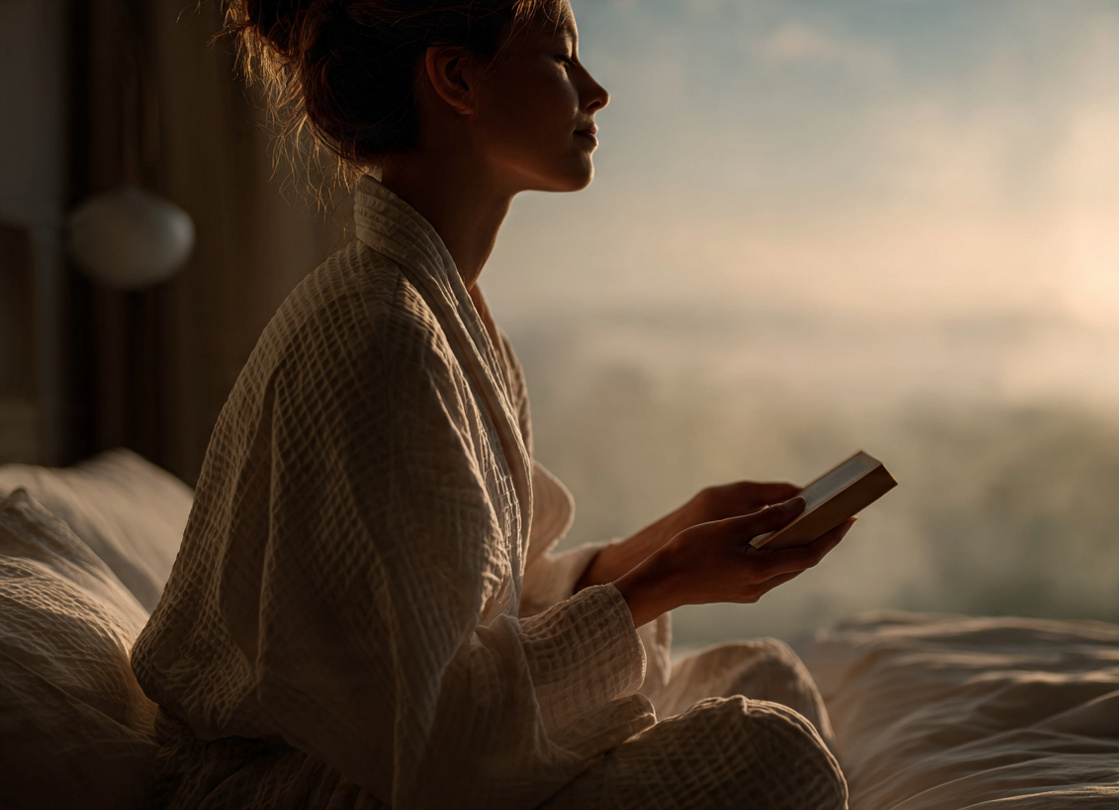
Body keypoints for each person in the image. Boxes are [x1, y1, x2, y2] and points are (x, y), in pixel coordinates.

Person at [130, 1, 852, 807]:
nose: (596, 90)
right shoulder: (381, 338)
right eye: (560, 56)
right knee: (774, 759)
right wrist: (667, 581)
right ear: (457, 78)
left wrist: (672, 538)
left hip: (418, 740)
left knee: (765, 674)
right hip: (319, 778)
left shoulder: (442, 302)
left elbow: (490, 601)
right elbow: (435, 738)